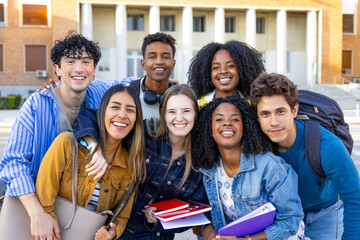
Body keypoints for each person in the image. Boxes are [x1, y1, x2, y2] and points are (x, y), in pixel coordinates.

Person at [0, 32, 116, 239]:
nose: (79, 68)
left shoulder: (100, 93)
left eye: (86, 62)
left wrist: (166, 83)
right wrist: (37, 213)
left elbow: (132, 83)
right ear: (57, 69)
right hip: (34, 204)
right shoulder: (36, 105)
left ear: (94, 69)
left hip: (79, 212)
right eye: (70, 61)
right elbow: (14, 163)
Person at [250, 73, 360, 240]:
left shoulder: (326, 145)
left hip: (325, 212)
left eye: (280, 111)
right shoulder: (257, 146)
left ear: (294, 110)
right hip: (283, 216)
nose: (273, 122)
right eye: (265, 114)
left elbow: (354, 197)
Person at [35, 85, 145, 240]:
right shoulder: (66, 145)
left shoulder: (131, 167)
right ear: (102, 112)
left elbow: (122, 217)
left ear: (136, 119)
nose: (122, 115)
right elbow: (43, 203)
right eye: (115, 107)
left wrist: (113, 233)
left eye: (130, 110)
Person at [191, 95, 304, 240]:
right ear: (209, 127)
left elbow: (290, 222)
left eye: (235, 119)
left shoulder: (271, 167)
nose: (227, 123)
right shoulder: (207, 169)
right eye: (219, 119)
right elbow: (202, 211)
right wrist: (206, 228)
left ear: (246, 126)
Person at [119, 84, 207, 239]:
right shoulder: (147, 132)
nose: (179, 118)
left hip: (155, 235)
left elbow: (193, 212)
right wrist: (95, 147)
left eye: (186, 111)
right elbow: (99, 123)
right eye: (172, 112)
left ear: (195, 114)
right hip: (118, 229)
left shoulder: (200, 159)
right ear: (164, 114)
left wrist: (159, 220)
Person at [188, 41, 264, 107]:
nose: (223, 71)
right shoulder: (197, 106)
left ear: (241, 70)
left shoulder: (254, 105)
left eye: (230, 66)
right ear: (208, 73)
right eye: (216, 67)